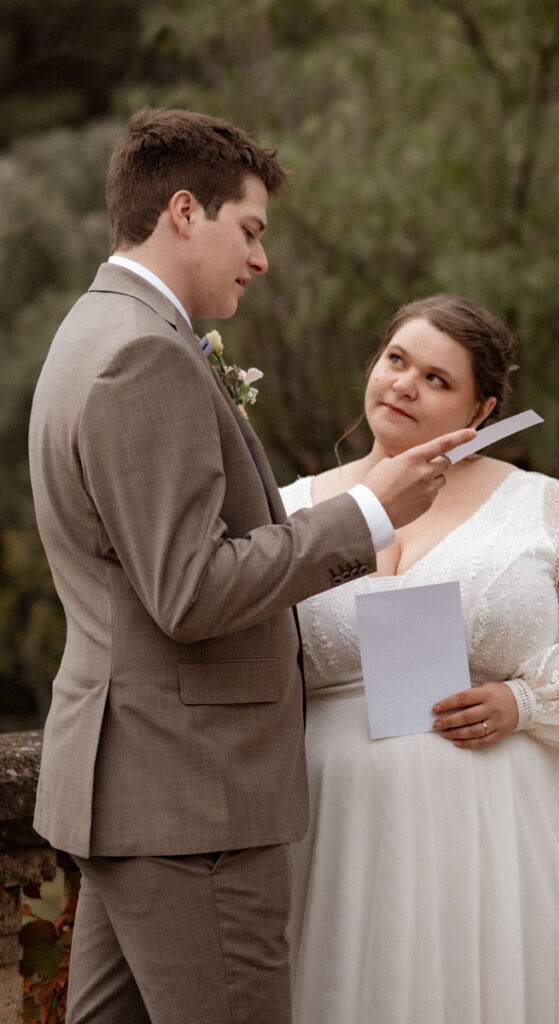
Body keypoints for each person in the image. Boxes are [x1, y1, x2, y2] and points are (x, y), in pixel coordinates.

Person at [27, 112, 477, 1024]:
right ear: (183, 211)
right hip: (194, 801)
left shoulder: (91, 327)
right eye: (250, 229)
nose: (261, 259)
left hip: (136, 786)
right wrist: (367, 513)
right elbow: (189, 592)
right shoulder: (144, 354)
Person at [280, 294, 559, 1024]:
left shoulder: (535, 502)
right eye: (396, 360)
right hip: (332, 831)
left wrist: (525, 700)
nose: (404, 384)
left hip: (498, 832)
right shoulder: (290, 509)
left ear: (481, 409)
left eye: (437, 379)